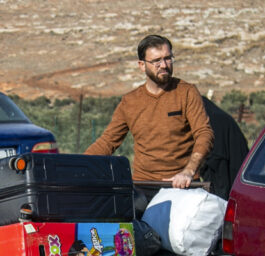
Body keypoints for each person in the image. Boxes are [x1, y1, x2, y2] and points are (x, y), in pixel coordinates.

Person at [84, 35, 214, 194]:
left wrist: (189, 171)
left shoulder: (187, 92)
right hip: (143, 186)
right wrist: (79, 167)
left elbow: (204, 133)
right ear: (141, 65)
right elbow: (107, 142)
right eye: (156, 61)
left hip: (183, 185)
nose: (164, 65)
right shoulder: (130, 101)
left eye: (168, 58)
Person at [199, 96, 249, 200]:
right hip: (226, 154)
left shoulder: (201, 111)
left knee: (219, 197)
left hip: (219, 154)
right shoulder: (205, 108)